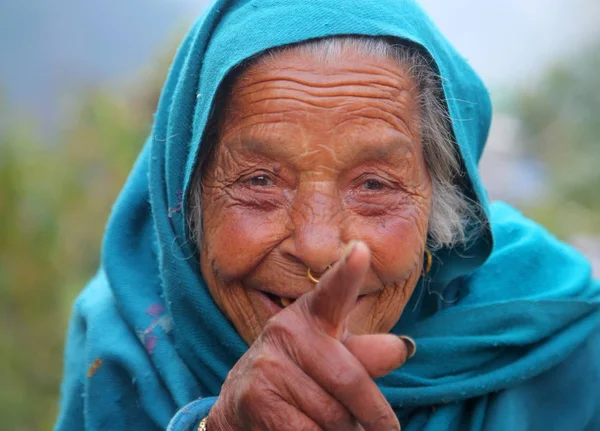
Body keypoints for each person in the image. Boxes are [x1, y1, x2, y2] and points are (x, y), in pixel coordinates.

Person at [54, 0, 600, 430]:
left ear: (441, 206)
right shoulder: (126, 346)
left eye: (374, 185)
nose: (317, 249)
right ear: (184, 203)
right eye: (260, 181)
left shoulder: (566, 345)